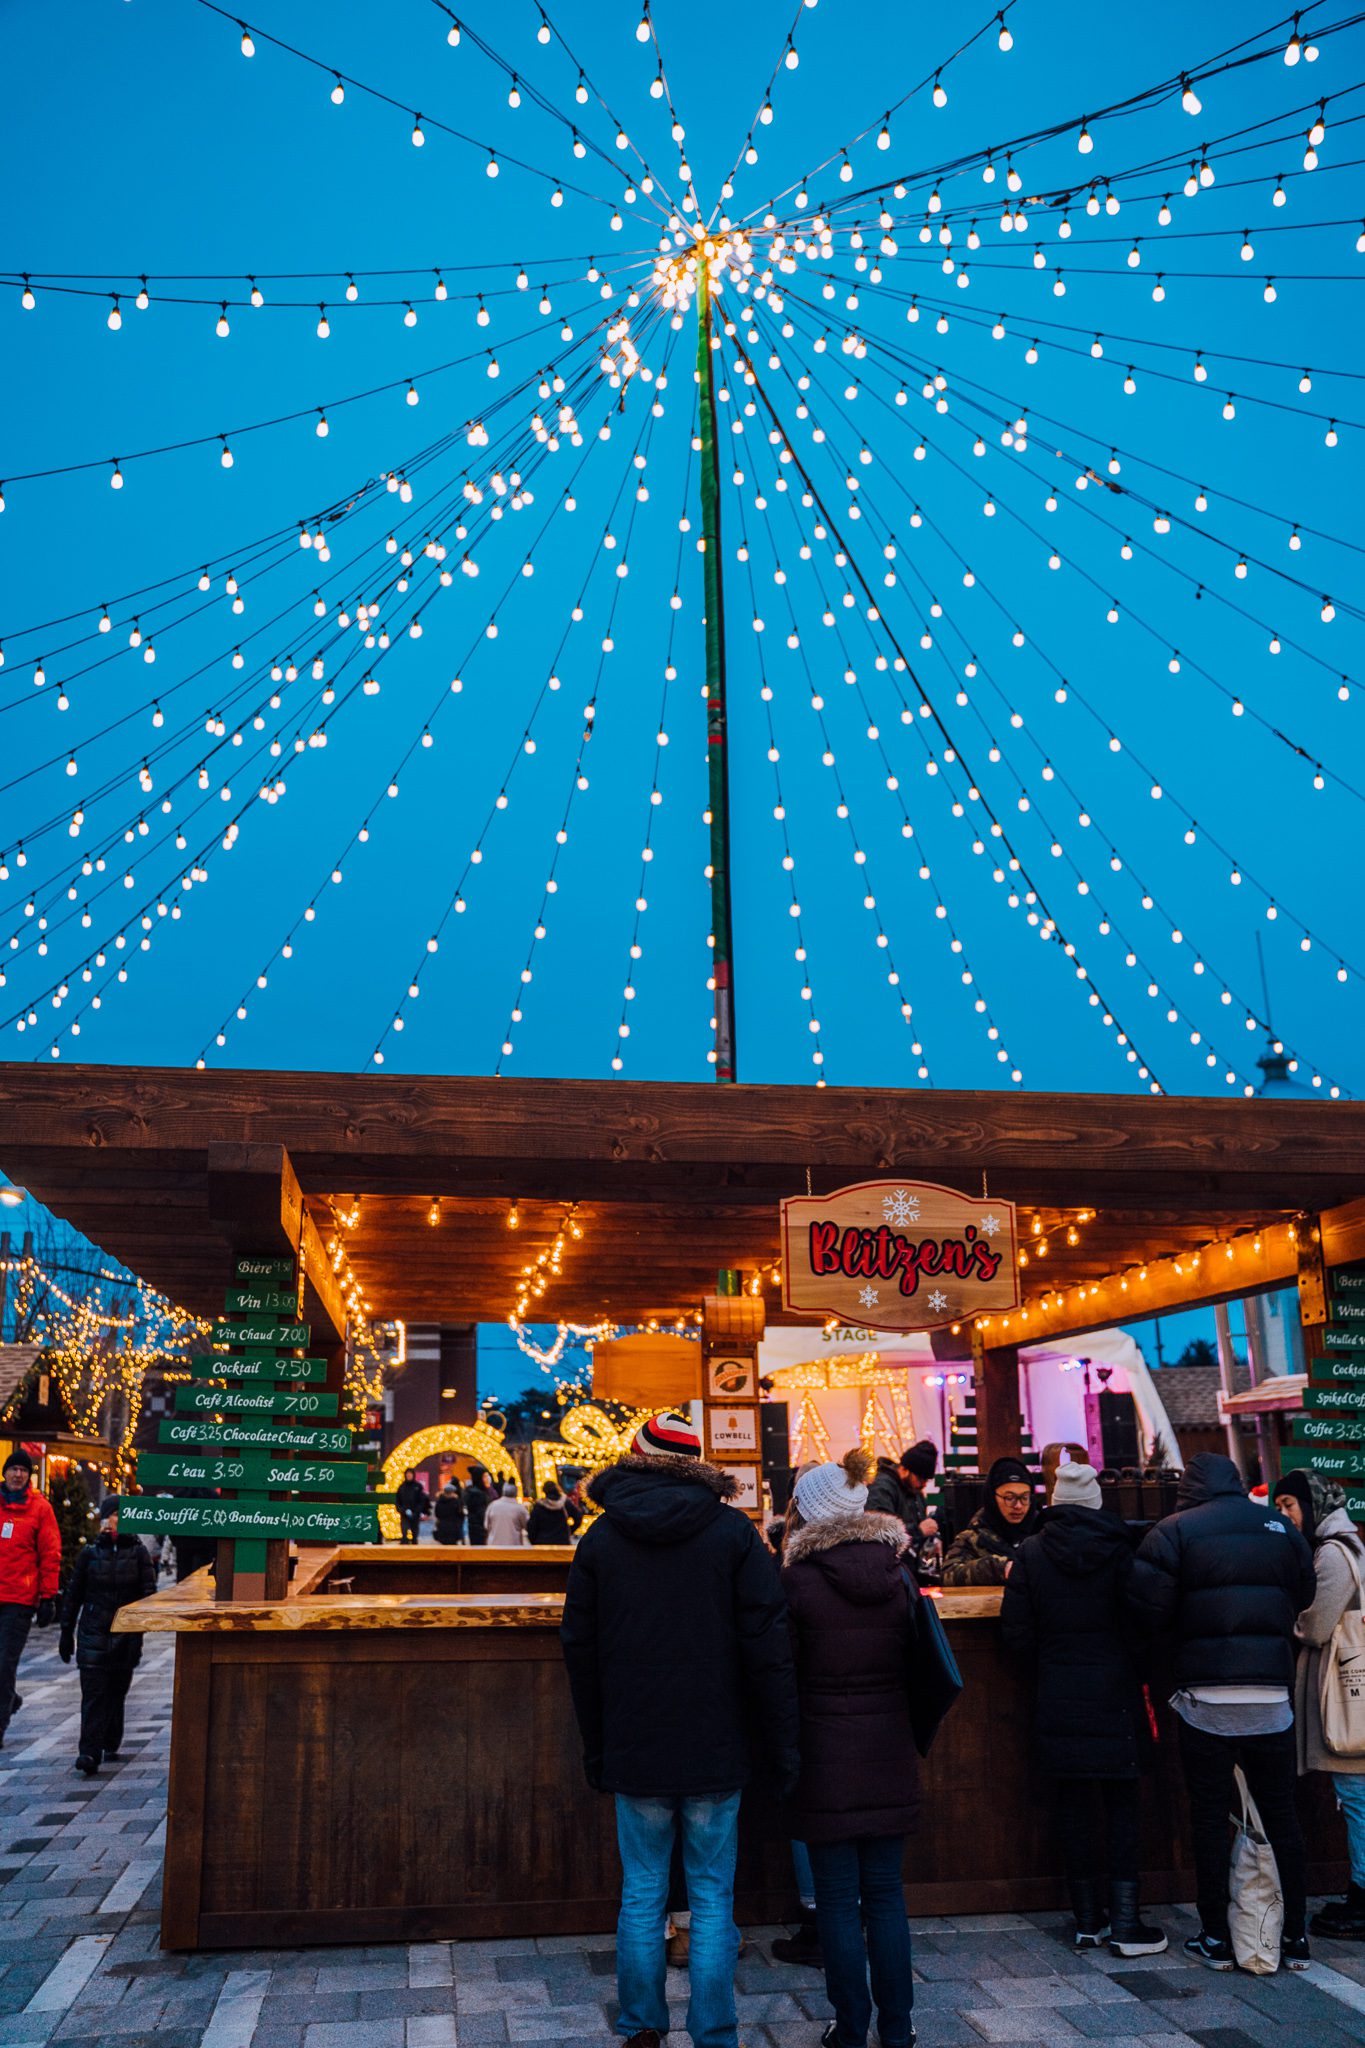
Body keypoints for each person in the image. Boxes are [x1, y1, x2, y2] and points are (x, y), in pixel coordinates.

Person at [560, 1410, 799, 2048]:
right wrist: (780, 1742)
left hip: (636, 1744)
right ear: (698, 1465)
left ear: (635, 1460)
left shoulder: (603, 1540)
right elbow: (768, 1647)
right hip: (717, 1745)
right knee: (714, 1897)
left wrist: (598, 1744)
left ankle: (641, 2027)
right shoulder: (734, 1535)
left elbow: (579, 1650)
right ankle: (715, 2032)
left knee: (642, 1893)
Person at [1129, 1450, 1315, 1971]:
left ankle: (1215, 1936)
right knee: (1282, 1816)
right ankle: (1294, 1937)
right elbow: (1304, 1594)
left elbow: (1148, 1611)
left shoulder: (1174, 1530)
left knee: (1210, 1819)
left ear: (1189, 1488)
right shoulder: (1280, 1526)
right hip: (1271, 1698)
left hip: (1205, 1700)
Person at [1001, 1461, 1166, 1956]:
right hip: (1115, 1695)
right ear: (1095, 1503)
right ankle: (1127, 1923)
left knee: (1072, 1807)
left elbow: (1015, 1634)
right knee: (1121, 1807)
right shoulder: (1123, 1550)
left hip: (1058, 1693)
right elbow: (1144, 1625)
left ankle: (1088, 1921)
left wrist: (1050, 1667)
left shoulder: (1031, 1552)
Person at [782, 1449, 918, 2048]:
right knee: (886, 1895)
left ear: (810, 1515)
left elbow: (778, 1673)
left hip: (824, 1756)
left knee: (837, 1900)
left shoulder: (796, 1582)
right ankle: (899, 2027)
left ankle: (851, 2027)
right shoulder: (900, 1575)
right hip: (889, 1748)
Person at [1278, 1468, 1365, 1939]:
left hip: (1349, 1695)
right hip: (1352, 1692)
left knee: (1357, 1797)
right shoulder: (1344, 1546)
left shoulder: (1333, 1554)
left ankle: (1364, 1898)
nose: (1284, 1515)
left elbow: (1316, 1627)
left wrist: (1289, 1621)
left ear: (1312, 1506)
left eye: (1289, 1505)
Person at [58, 1497, 156, 1774]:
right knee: (93, 1694)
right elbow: (74, 1593)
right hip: (93, 1632)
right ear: (105, 1519)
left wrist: (143, 1625)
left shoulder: (138, 1553)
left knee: (116, 1692)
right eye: (114, 1515)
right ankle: (88, 1752)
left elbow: (148, 1594)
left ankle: (111, 1739)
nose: (118, 1520)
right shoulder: (90, 1553)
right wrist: (66, 1631)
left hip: (125, 1635)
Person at [0, 1446, 61, 1746]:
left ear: (29, 1476)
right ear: (5, 1473)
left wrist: (48, 1596)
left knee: (4, 1663)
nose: (18, 1474)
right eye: (13, 1469)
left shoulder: (40, 1509)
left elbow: (50, 1554)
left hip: (19, 1600)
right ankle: (8, 1699)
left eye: (23, 1470)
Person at [942, 1456, 1038, 1586]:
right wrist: (998, 1568)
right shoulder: (974, 1538)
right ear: (992, 1498)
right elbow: (948, 1574)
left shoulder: (1043, 1531)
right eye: (1010, 1498)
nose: (1018, 1506)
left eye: (1025, 1498)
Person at [866, 1441, 941, 1578]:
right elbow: (879, 1530)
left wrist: (931, 1540)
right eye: (920, 1478)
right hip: (888, 1573)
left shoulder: (914, 1491)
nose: (923, 1484)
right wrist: (918, 1531)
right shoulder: (881, 1488)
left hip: (907, 1571)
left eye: (926, 1480)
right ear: (904, 1469)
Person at [485, 1480, 530, 1547]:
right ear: (516, 1494)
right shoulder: (520, 1508)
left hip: (494, 1545)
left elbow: (486, 1525)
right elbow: (528, 1525)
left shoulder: (492, 1505)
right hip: (514, 1545)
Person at [528, 1481, 572, 1545]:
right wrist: (569, 1530)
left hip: (543, 1543)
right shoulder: (565, 1503)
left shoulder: (539, 1506)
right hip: (562, 1542)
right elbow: (578, 1517)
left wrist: (534, 1541)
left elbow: (532, 1526)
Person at [394, 1469, 429, 1545]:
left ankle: (414, 1547)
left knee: (414, 1533)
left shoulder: (418, 1486)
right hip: (404, 1513)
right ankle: (404, 1546)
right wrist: (401, 1510)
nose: (408, 1476)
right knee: (404, 1531)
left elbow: (422, 1500)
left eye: (410, 1474)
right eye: (407, 1474)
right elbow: (397, 1500)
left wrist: (417, 1511)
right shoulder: (402, 1487)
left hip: (415, 1514)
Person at [463, 1468, 492, 1547]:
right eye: (485, 1477)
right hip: (479, 1530)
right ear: (479, 1479)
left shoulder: (475, 1492)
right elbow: (481, 1514)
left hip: (476, 1528)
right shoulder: (478, 1495)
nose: (488, 1479)